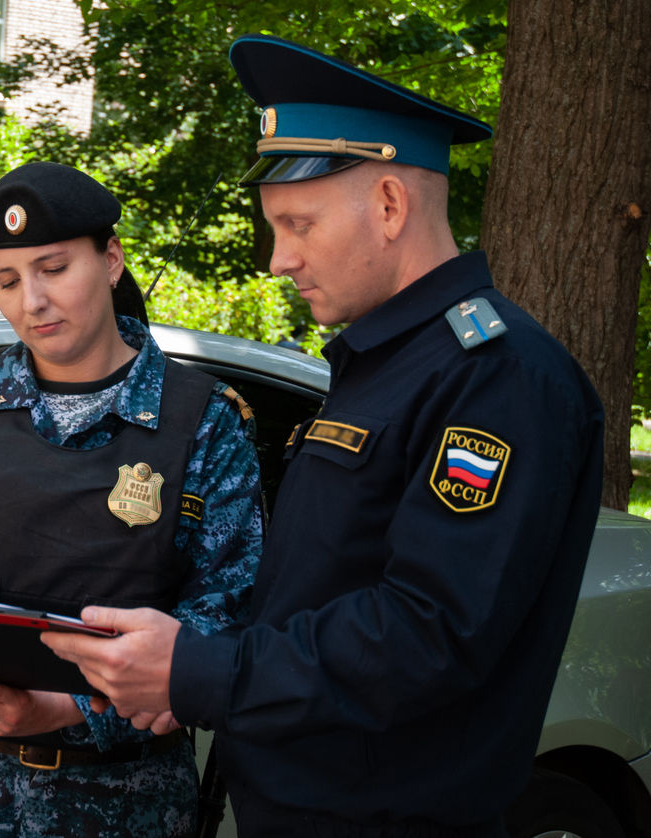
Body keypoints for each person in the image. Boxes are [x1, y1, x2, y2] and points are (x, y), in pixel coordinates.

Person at [43, 35, 605, 838]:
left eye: (298, 223)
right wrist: (187, 679)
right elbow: (324, 587)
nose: (279, 259)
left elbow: (427, 634)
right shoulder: (391, 361)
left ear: (388, 205)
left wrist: (202, 670)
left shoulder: (496, 375)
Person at [0, 161, 264, 836]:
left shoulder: (205, 425)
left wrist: (74, 705)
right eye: (5, 281)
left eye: (53, 269)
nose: (31, 302)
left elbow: (227, 618)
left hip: (121, 806)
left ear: (110, 259)